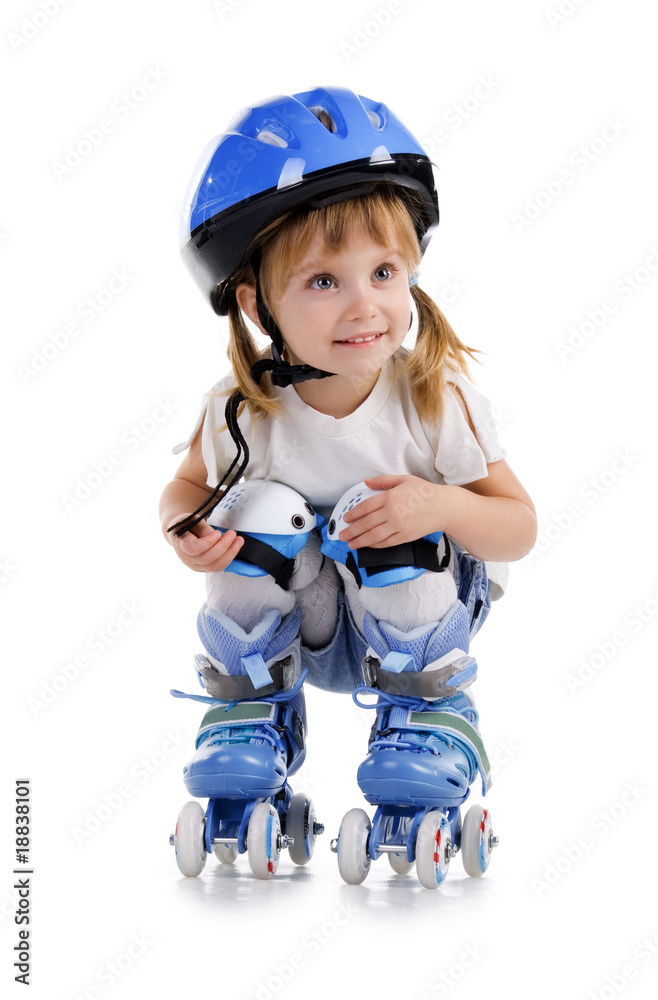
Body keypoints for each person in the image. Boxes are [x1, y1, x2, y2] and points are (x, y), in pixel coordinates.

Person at [160, 87, 536, 881]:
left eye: (384, 271)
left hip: (413, 629)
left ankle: (432, 722)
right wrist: (185, 530)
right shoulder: (241, 411)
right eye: (324, 282)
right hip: (292, 631)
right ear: (258, 305)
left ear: (413, 274)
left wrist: (436, 503)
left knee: (384, 505)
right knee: (251, 505)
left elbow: (519, 528)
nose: (365, 303)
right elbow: (184, 491)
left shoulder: (438, 399)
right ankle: (249, 713)